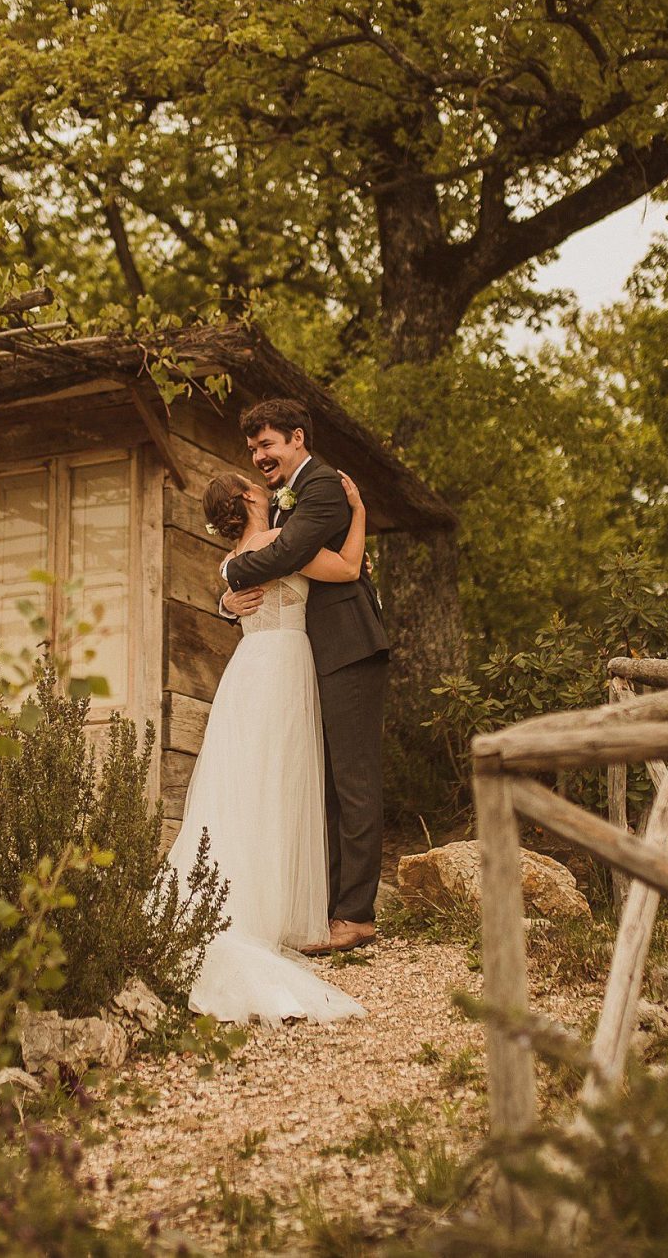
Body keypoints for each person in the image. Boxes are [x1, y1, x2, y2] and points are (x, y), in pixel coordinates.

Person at [161, 455, 370, 1024]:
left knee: (243, 784)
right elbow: (349, 568)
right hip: (283, 663)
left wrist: (225, 601)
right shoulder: (280, 540)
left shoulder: (231, 561)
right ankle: (272, 911)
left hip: (247, 668)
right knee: (282, 780)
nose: (265, 485)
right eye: (255, 485)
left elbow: (231, 591)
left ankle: (249, 897)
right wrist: (358, 511)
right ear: (250, 500)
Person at [218, 398, 390, 956]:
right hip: (309, 655)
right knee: (327, 785)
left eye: (266, 445)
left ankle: (357, 915)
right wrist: (227, 598)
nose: (260, 456)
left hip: (348, 647)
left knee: (354, 780)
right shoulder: (286, 502)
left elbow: (291, 553)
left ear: (297, 438)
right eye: (253, 450)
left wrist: (232, 571)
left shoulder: (320, 488)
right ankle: (330, 907)